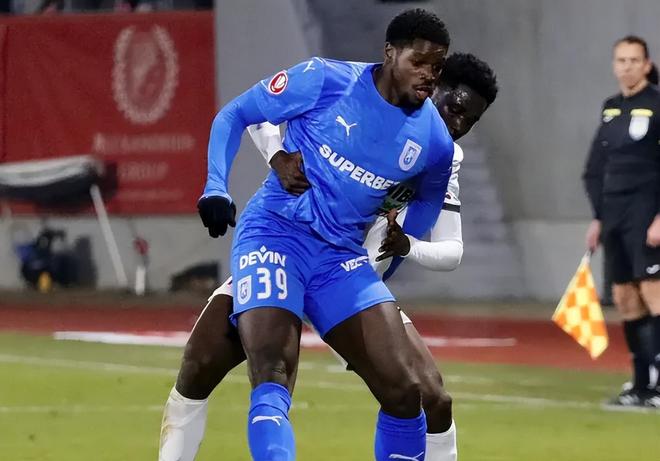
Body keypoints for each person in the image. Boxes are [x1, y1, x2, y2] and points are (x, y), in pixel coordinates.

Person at [159, 52, 498, 461]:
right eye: (454, 108)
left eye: (470, 120)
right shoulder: (357, 98)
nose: (458, 124)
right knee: (200, 365)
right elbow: (258, 113)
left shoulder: (444, 158)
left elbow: (450, 246)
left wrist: (408, 244)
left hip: (350, 278)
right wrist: (276, 156)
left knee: (431, 398)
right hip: (289, 251)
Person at [583, 35, 660, 408]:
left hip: (647, 213)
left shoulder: (657, 104)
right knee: (626, 299)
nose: (627, 66)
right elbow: (597, 167)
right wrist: (598, 217)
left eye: (634, 60)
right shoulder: (610, 108)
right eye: (621, 60)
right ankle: (641, 384)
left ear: (646, 65)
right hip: (613, 216)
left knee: (654, 294)